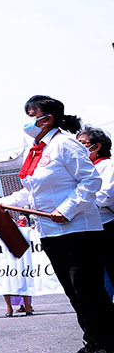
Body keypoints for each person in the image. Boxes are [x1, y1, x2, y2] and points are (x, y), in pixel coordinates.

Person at [0, 96, 113, 353]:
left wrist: (67, 209)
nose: (27, 121)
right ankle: (92, 342)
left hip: (78, 230)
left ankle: (110, 344)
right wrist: (4, 203)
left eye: (31, 114)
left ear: (46, 119)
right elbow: (32, 192)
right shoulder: (35, 150)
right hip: (50, 232)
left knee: (89, 290)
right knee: (73, 291)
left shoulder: (65, 144)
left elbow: (90, 181)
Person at [76, 125, 113, 293]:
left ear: (96, 146)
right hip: (89, 228)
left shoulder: (107, 166)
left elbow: (106, 195)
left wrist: (77, 204)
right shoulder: (81, 170)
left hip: (107, 227)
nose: (78, 148)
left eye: (82, 143)